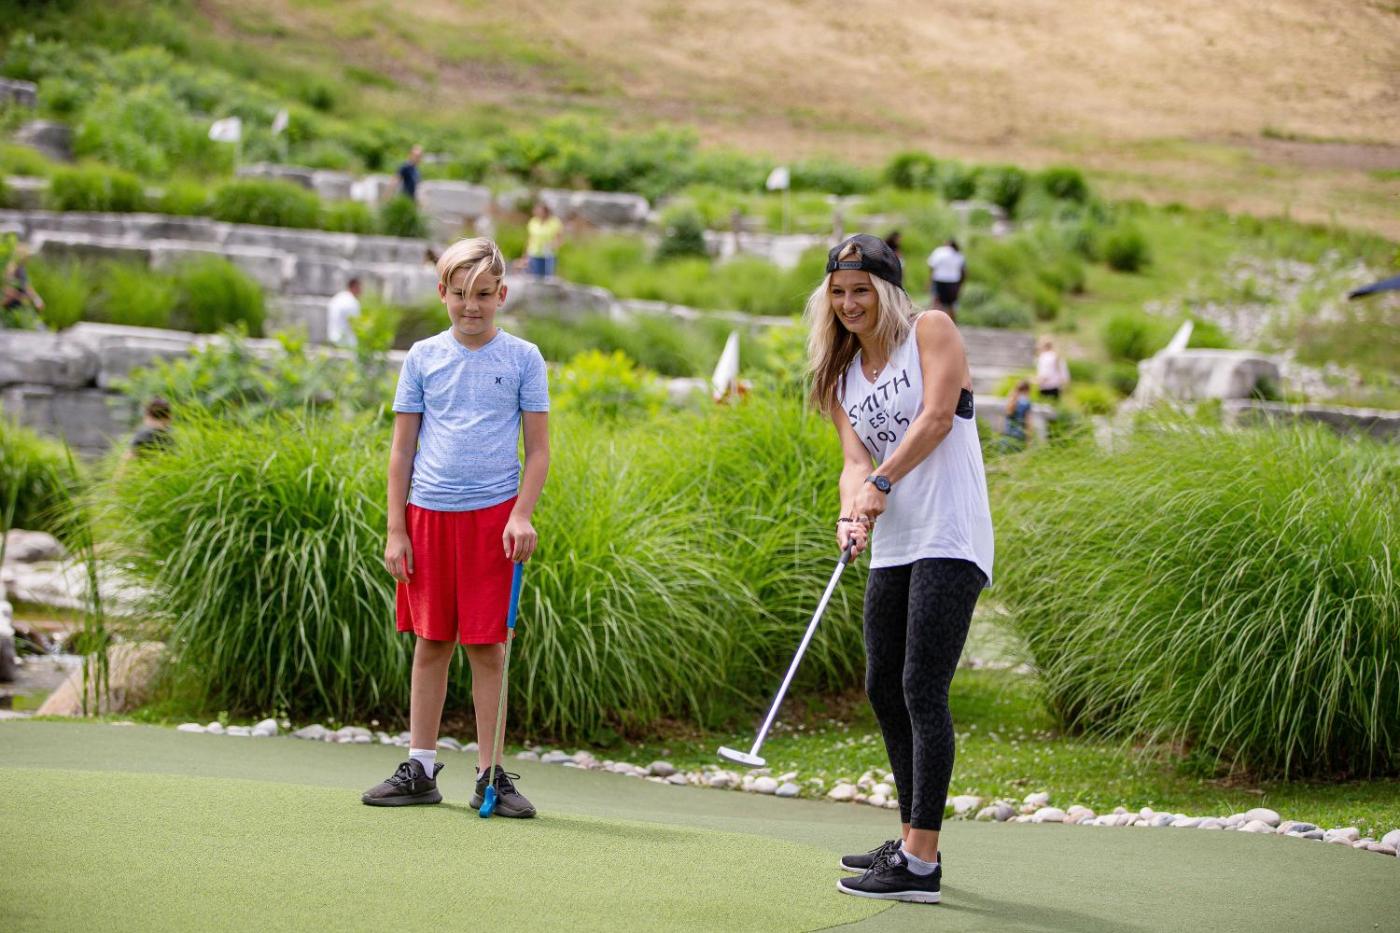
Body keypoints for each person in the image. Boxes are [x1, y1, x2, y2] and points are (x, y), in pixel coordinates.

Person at [806, 234, 993, 905]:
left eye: (861, 290)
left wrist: (882, 479)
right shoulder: (841, 376)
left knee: (921, 685)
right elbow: (853, 462)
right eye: (838, 292)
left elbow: (938, 417)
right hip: (895, 543)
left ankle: (920, 863)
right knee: (883, 683)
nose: (849, 303)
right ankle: (911, 837)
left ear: (886, 292)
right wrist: (849, 511)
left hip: (950, 533)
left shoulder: (931, 331)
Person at [362, 237, 550, 818]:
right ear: (442, 292)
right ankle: (419, 769)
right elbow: (401, 451)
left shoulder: (523, 358)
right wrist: (396, 530)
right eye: (462, 294)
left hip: (494, 519)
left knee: (488, 648)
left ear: (503, 294)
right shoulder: (422, 357)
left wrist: (521, 513)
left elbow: (539, 451)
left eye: (485, 295)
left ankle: (490, 775)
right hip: (427, 515)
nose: (473, 306)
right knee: (431, 642)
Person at [2, 244, 44, 328]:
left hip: (22, 307)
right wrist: (21, 297)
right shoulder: (11, 269)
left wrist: (37, 299)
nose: (29, 258)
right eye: (27, 256)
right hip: (10, 308)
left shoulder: (22, 268)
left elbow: (26, 286)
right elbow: (6, 290)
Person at [926, 239, 965, 321]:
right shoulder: (958, 254)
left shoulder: (939, 251)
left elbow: (932, 266)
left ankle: (932, 322)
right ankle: (953, 324)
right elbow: (963, 271)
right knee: (951, 305)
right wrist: (961, 285)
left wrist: (929, 281)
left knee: (936, 303)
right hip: (953, 281)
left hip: (939, 279)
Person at [524, 201, 563, 279]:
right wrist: (525, 255)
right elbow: (530, 239)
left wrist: (553, 245)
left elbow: (559, 239)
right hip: (534, 254)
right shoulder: (533, 221)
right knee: (534, 277)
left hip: (548, 254)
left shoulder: (554, 222)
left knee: (548, 277)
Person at [325, 277, 362, 348]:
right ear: (354, 287)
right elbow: (355, 324)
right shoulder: (353, 302)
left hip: (332, 337)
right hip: (346, 342)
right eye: (359, 288)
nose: (361, 291)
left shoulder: (337, 297)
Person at [1000, 379, 1033, 451]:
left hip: (1007, 435)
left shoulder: (1009, 399)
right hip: (1019, 436)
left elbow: (1004, 420)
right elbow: (1028, 423)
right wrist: (1029, 439)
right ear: (1027, 390)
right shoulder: (1026, 402)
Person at [1034, 335, 1069, 400]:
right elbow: (1064, 375)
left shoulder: (1044, 357)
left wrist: (1033, 381)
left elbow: (1044, 376)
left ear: (1044, 346)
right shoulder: (1057, 356)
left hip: (1045, 388)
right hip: (1056, 388)